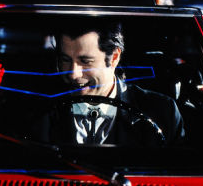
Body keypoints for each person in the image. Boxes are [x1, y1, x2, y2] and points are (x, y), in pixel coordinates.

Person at [32, 21, 185, 146]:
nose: (73, 74)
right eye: (65, 60)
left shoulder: (162, 113)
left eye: (85, 61)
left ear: (114, 58)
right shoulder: (36, 111)